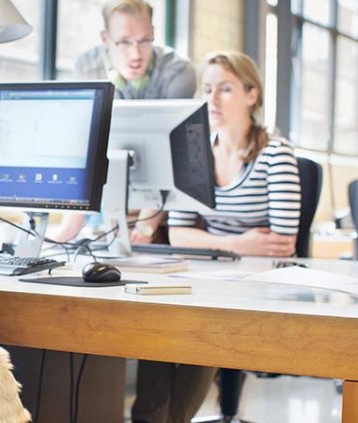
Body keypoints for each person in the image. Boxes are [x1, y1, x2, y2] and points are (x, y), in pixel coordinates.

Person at [132, 51, 301, 423]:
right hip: (206, 271)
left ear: (252, 95)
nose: (213, 99)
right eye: (207, 89)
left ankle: (175, 417)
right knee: (157, 314)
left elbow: (282, 243)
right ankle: (148, 415)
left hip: (256, 282)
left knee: (205, 316)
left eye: (225, 89)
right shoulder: (195, 152)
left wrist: (209, 242)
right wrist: (241, 244)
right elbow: (178, 234)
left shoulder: (276, 153)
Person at [52, 0, 196, 245]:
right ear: (105, 38)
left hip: (157, 210)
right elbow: (86, 147)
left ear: (154, 34)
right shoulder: (87, 67)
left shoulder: (178, 72)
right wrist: (64, 232)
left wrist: (146, 226)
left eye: (144, 40)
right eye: (124, 42)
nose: (136, 54)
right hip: (104, 205)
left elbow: (170, 157)